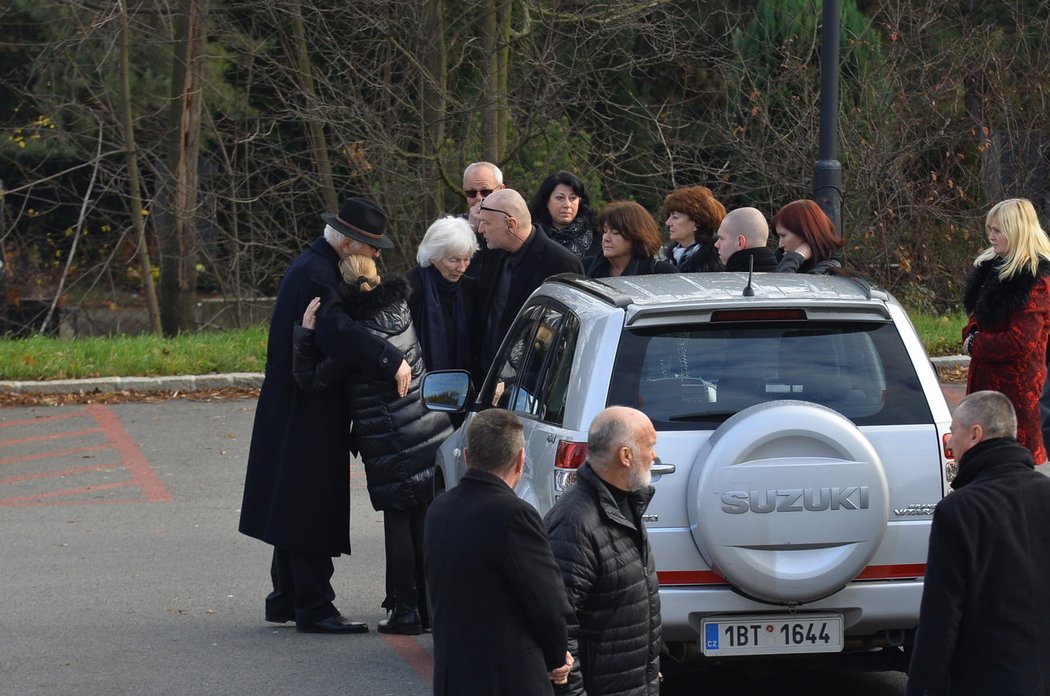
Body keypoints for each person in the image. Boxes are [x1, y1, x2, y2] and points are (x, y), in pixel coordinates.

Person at [239, 197, 411, 634]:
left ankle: (287, 597)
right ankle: (314, 606)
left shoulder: (313, 265)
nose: (376, 256)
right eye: (372, 248)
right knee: (309, 505)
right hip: (307, 407)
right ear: (351, 243)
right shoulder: (319, 272)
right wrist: (390, 358)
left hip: (293, 402)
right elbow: (337, 332)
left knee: (292, 499)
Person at [292, 254, 453, 636]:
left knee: (398, 521)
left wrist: (305, 332)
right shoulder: (400, 308)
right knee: (423, 519)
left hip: (387, 438)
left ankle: (406, 612)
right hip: (429, 425)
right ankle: (431, 609)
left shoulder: (351, 336)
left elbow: (310, 380)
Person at [907, 390, 1050, 695]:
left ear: (975, 434)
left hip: (987, 680)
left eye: (952, 433)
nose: (949, 443)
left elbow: (940, 620)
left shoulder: (959, 511)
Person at [424, 409, 574, 696]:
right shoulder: (514, 515)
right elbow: (547, 601)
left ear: (467, 457)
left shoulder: (438, 510)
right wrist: (557, 657)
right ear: (520, 460)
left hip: (452, 675)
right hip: (507, 677)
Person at [544, 406, 662, 696]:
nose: (655, 456)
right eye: (650, 446)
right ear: (625, 456)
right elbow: (560, 630)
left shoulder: (626, 506)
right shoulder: (575, 524)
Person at [961, 197, 1050, 464]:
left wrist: (976, 344)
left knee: (1012, 464)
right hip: (987, 385)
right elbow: (978, 317)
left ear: (1016, 231)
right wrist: (971, 335)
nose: (991, 236)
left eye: (997, 230)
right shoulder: (993, 267)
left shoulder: (1035, 279)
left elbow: (1022, 341)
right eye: (990, 229)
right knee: (984, 460)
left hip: (1017, 392)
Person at [475, 188, 584, 377]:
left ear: (511, 224)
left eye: (485, 222)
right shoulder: (493, 252)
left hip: (531, 384)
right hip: (487, 377)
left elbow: (567, 336)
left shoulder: (561, 263)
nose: (480, 229)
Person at [406, 216, 479, 373]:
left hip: (463, 385)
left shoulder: (471, 290)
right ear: (433, 256)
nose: (462, 268)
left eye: (467, 259)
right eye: (454, 260)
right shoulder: (409, 289)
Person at [584, 201, 675, 278]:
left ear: (636, 236)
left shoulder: (661, 272)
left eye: (615, 233)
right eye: (605, 231)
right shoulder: (585, 267)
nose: (606, 238)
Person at [530, 171, 601, 260]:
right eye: (560, 198)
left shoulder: (598, 234)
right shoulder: (531, 237)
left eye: (573, 198)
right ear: (546, 202)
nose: (567, 205)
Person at [661, 185, 726, 273]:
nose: (668, 223)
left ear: (697, 223)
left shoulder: (718, 259)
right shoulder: (669, 258)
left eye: (675, 217)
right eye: (669, 216)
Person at [772, 199, 845, 274]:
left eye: (783, 236)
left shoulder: (827, 270)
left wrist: (796, 256)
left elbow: (784, 283)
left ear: (804, 233)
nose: (780, 244)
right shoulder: (781, 256)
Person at [461, 161, 505, 280]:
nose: (479, 198)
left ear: (501, 190)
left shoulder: (513, 226)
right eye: (471, 193)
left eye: (486, 192)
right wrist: (470, 231)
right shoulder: (452, 227)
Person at [715, 206, 778, 271]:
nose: (716, 244)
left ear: (740, 243)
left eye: (721, 238)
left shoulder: (731, 280)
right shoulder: (783, 276)